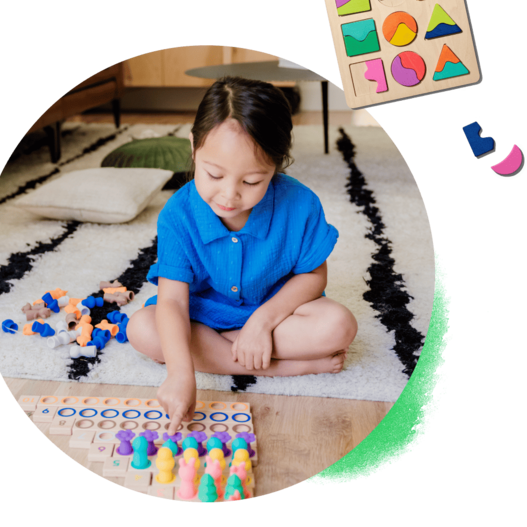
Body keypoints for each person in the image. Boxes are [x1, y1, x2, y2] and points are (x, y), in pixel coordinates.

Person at [126, 76, 358, 434]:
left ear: (276, 166)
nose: (229, 195)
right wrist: (180, 374)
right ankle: (281, 366)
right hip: (203, 314)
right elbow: (172, 302)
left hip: (278, 314)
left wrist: (261, 323)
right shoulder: (177, 213)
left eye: (251, 182)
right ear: (193, 147)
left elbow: (314, 277)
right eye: (213, 174)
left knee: (339, 325)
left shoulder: (301, 204)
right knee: (142, 327)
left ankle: (230, 353)